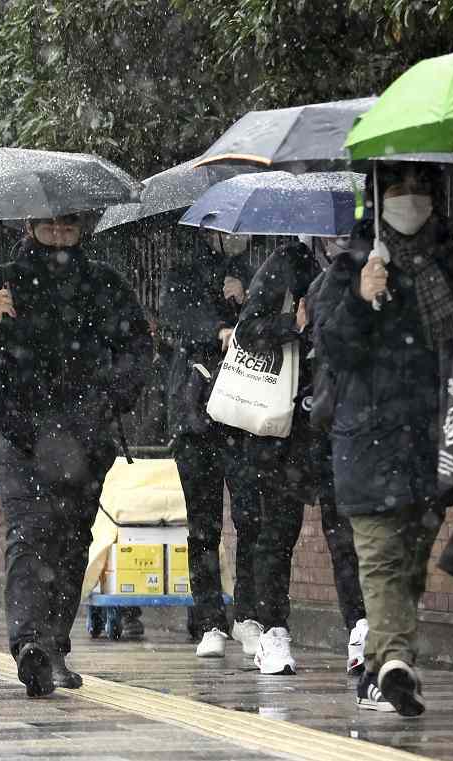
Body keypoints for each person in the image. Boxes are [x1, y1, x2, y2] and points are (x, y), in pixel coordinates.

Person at [0, 213, 150, 697]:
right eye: (51, 226)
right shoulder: (4, 281)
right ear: (31, 225)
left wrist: (110, 397)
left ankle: (56, 646)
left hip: (85, 438)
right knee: (29, 535)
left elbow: (138, 348)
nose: (60, 234)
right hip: (22, 436)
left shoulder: (105, 283)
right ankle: (28, 645)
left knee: (70, 541)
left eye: (69, 226)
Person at [315, 163, 453, 717]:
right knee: (379, 559)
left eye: (421, 189)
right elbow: (331, 349)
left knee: (411, 563)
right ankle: (397, 662)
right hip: (366, 441)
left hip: (427, 439)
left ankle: (378, 672)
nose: (412, 200)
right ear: (377, 199)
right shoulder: (352, 265)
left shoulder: (447, 264)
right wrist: (359, 295)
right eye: (398, 189)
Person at [234, 236, 368, 676]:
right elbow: (248, 330)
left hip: (340, 417)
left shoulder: (369, 262)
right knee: (277, 532)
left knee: (344, 534)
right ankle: (273, 631)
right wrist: (294, 323)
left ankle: (360, 630)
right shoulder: (285, 262)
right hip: (286, 424)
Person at [158, 230, 263, 660]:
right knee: (203, 526)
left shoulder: (257, 274)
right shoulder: (183, 273)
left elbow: (273, 326)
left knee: (250, 519)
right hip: (195, 414)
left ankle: (249, 616)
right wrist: (216, 326)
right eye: (228, 232)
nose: (236, 239)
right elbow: (173, 318)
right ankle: (209, 621)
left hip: (244, 415)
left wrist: (243, 304)